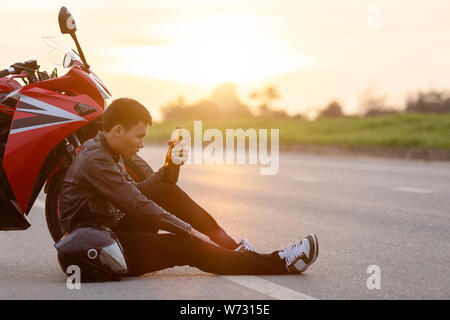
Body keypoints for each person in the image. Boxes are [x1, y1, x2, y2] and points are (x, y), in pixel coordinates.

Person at [59, 97, 318, 280]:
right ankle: (281, 262)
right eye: (139, 136)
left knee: (165, 192)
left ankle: (232, 248)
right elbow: (137, 204)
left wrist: (171, 166)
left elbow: (145, 191)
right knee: (188, 247)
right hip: (102, 251)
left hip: (112, 230)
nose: (141, 144)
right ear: (117, 131)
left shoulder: (108, 151)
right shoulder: (96, 160)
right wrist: (191, 232)